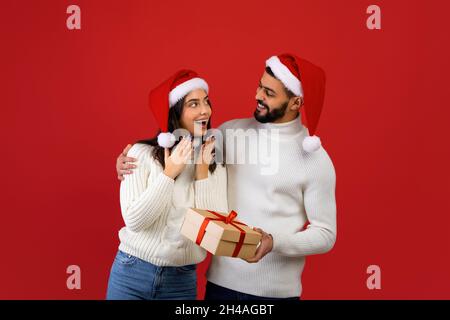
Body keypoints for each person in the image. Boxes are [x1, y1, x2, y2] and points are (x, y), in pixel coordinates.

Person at [116, 53, 337, 300]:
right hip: (220, 286)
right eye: (259, 87)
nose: (258, 96)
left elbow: (326, 234)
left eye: (269, 93)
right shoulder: (229, 133)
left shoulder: (316, 160)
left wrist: (274, 242)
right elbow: (184, 144)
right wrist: (128, 157)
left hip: (277, 293)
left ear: (296, 102)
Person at [107, 69, 228, 300]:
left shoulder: (213, 164)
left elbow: (214, 235)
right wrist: (169, 173)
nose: (204, 110)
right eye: (193, 104)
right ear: (175, 113)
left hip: (180, 283)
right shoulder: (141, 154)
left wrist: (202, 171)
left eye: (206, 102)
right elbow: (134, 221)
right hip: (131, 273)